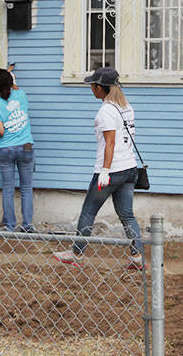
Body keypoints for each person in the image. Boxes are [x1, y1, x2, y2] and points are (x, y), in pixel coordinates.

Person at [53, 67, 143, 270]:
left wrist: (104, 171)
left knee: (88, 212)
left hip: (111, 171)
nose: (91, 89)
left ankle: (76, 254)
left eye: (93, 85)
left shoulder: (105, 111)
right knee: (127, 215)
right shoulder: (127, 107)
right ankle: (138, 257)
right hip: (129, 168)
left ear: (100, 88)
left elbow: (110, 143)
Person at [0, 68, 35, 232]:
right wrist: (11, 77)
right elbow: (14, 88)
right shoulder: (21, 95)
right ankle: (28, 225)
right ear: (11, 83)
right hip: (26, 147)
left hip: (6, 148)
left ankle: (9, 226)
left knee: (8, 188)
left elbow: (0, 131)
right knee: (26, 188)